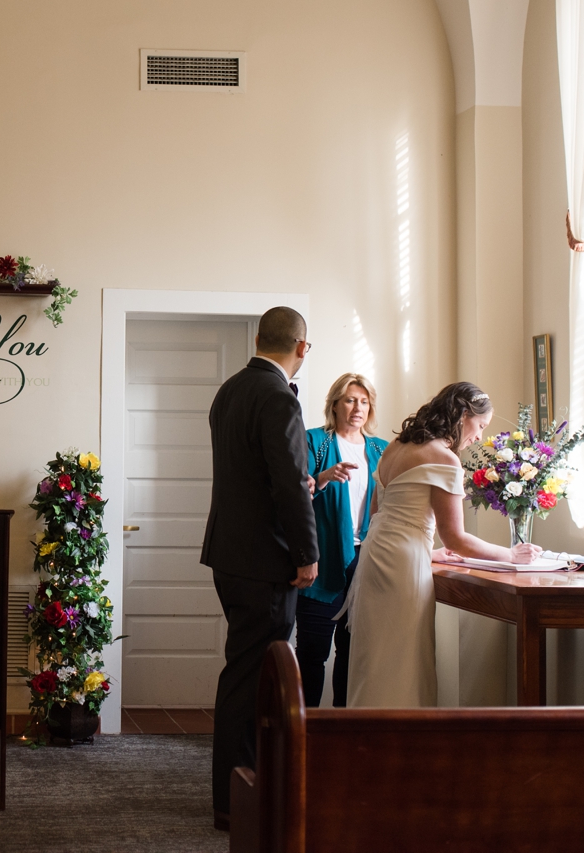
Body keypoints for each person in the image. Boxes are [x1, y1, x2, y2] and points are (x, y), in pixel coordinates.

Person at [344, 382, 542, 708]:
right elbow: (456, 539)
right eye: (480, 426)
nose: (479, 436)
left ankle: (366, 741)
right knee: (404, 658)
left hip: (377, 557)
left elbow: (380, 513)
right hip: (404, 568)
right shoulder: (444, 459)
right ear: (463, 415)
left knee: (375, 655)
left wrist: (426, 549)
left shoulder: (396, 447)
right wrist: (510, 554)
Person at [200, 306, 317, 832]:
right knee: (251, 679)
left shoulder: (229, 391)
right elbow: (288, 483)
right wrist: (306, 553)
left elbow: (253, 475)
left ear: (257, 338)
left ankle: (235, 795)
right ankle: (236, 801)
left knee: (243, 673)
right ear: (301, 348)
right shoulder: (277, 395)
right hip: (266, 559)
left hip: (231, 553)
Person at [296, 373, 387, 708]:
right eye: (350, 400)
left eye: (364, 402)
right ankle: (303, 732)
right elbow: (296, 495)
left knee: (353, 654)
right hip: (324, 562)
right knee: (312, 654)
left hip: (368, 563)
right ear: (334, 405)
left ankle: (341, 731)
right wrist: (323, 477)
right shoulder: (315, 441)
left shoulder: (381, 449)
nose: (357, 408)